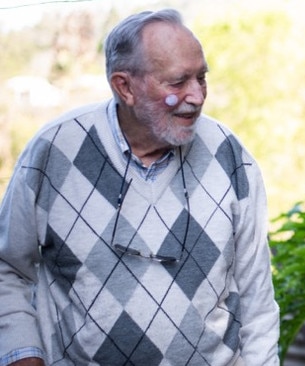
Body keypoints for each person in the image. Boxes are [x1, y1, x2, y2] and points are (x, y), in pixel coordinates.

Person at [0, 9, 280, 366]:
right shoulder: (54, 151)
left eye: (202, 77)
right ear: (125, 87)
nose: (196, 96)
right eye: (178, 82)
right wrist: (24, 357)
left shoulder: (230, 156)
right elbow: (7, 268)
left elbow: (258, 299)